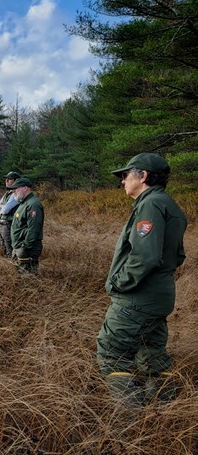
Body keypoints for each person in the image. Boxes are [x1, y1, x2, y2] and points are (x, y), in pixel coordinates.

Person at [96, 153, 187, 406]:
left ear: (143, 176)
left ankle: (129, 424)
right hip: (159, 298)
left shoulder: (150, 205)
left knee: (111, 354)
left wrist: (119, 283)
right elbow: (177, 256)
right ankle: (164, 413)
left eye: (126, 175)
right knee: (153, 357)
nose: (122, 180)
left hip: (136, 299)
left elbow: (145, 257)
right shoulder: (170, 205)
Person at [8, 177, 44, 273]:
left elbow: (33, 229)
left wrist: (25, 246)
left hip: (27, 249)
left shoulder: (33, 204)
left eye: (15, 189)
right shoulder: (24, 203)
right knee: (20, 276)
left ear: (25, 188)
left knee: (28, 279)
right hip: (19, 247)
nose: (13, 192)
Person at [0, 172, 21, 256]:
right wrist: (3, 206)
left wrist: (2, 206)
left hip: (9, 224)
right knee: (4, 246)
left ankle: (11, 266)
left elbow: (5, 210)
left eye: (9, 179)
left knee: (9, 247)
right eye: (6, 179)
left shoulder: (15, 194)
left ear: (16, 181)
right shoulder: (7, 194)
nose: (6, 180)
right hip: (3, 224)